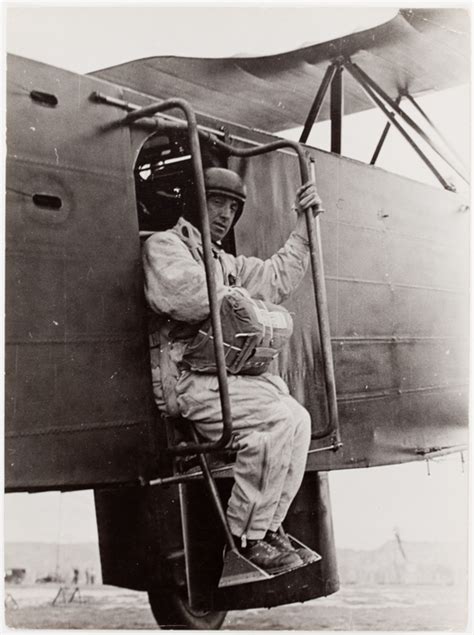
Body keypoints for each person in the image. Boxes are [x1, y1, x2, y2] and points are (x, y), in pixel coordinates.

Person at [143, 167, 322, 575]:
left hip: (223, 379)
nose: (225, 214)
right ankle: (246, 541)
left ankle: (270, 528)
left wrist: (303, 226)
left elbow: (276, 277)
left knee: (298, 419)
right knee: (274, 421)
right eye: (217, 202)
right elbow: (187, 296)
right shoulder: (164, 247)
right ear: (194, 202)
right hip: (188, 381)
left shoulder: (223, 262)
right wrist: (244, 301)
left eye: (233, 207)